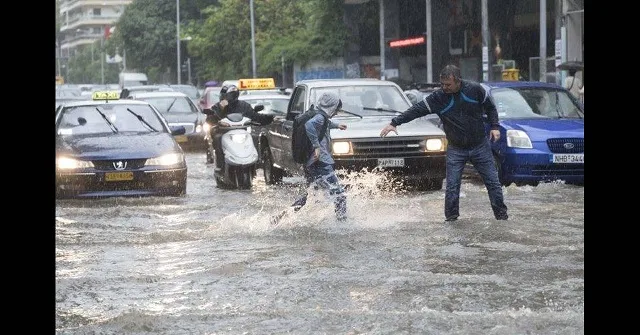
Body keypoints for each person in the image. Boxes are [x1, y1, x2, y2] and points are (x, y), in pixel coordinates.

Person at [379, 65, 508, 222]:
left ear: (458, 81)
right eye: (442, 84)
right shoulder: (438, 98)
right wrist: (395, 122)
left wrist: (495, 126)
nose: (444, 88)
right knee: (452, 187)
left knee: (493, 183)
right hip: (456, 148)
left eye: (448, 85)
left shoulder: (475, 89)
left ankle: (502, 218)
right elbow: (417, 109)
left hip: (480, 145)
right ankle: (451, 220)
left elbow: (490, 107)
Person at [272, 92, 348, 224]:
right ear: (331, 107)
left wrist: (336, 125)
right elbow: (310, 125)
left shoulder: (319, 114)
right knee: (340, 195)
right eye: (336, 109)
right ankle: (343, 224)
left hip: (311, 162)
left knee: (310, 195)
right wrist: (317, 146)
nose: (336, 112)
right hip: (320, 162)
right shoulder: (319, 117)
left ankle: (281, 217)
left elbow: (323, 124)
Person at [207, 84, 274, 169]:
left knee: (254, 137)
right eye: (223, 96)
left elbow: (255, 116)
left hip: (243, 133)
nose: (225, 98)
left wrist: (270, 118)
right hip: (225, 133)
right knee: (218, 138)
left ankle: (257, 163)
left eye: (227, 96)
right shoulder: (217, 106)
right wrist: (221, 108)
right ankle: (221, 166)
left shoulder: (244, 106)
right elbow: (210, 119)